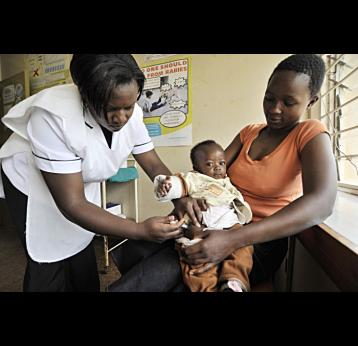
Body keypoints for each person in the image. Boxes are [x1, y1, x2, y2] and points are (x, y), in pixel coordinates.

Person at [109, 53, 337, 292]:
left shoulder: (309, 133)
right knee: (147, 256)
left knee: (174, 273)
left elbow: (322, 203)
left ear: (311, 101)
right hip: (213, 224)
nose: (275, 109)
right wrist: (185, 196)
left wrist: (232, 239)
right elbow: (205, 173)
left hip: (254, 242)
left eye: (288, 102)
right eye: (269, 98)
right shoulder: (249, 133)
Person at [0, 54, 184, 292]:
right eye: (110, 109)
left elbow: (152, 164)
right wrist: (139, 230)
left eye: (128, 107)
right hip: (30, 181)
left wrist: (180, 196)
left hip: (74, 183)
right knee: (48, 256)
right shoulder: (53, 117)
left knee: (80, 244)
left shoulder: (132, 112)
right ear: (85, 96)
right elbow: (73, 204)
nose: (121, 118)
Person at [154, 140, 253, 292]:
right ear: (196, 168)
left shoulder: (227, 183)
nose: (217, 167)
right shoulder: (195, 179)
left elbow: (237, 201)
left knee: (244, 248)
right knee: (198, 267)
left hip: (229, 226)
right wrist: (168, 186)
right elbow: (180, 183)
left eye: (221, 162)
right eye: (209, 164)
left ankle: (233, 282)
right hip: (200, 228)